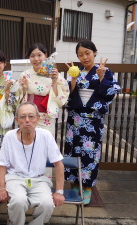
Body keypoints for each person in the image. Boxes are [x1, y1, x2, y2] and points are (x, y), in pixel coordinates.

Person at [64, 40, 120, 204]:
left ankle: (87, 187)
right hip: (75, 120)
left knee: (90, 154)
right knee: (73, 151)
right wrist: (73, 80)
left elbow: (110, 94)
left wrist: (102, 78)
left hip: (93, 121)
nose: (84, 57)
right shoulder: (77, 72)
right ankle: (75, 183)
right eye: (80, 54)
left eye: (87, 53)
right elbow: (69, 95)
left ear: (95, 53)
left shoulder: (104, 71)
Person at [0, 102, 65, 225]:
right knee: (18, 200)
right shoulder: (9, 136)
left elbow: (58, 164)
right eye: (23, 117)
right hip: (15, 178)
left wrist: (59, 192)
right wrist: (2, 188)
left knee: (47, 204)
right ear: (17, 120)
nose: (27, 120)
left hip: (39, 180)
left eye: (31, 116)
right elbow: (2, 165)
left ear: (38, 119)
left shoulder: (46, 135)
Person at [18, 43, 69, 135]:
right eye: (32, 56)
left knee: (45, 142)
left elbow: (62, 94)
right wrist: (24, 89)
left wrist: (54, 81)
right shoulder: (25, 75)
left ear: (45, 55)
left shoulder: (54, 74)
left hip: (47, 117)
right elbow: (18, 96)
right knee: (28, 143)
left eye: (39, 55)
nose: (36, 59)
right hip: (28, 117)